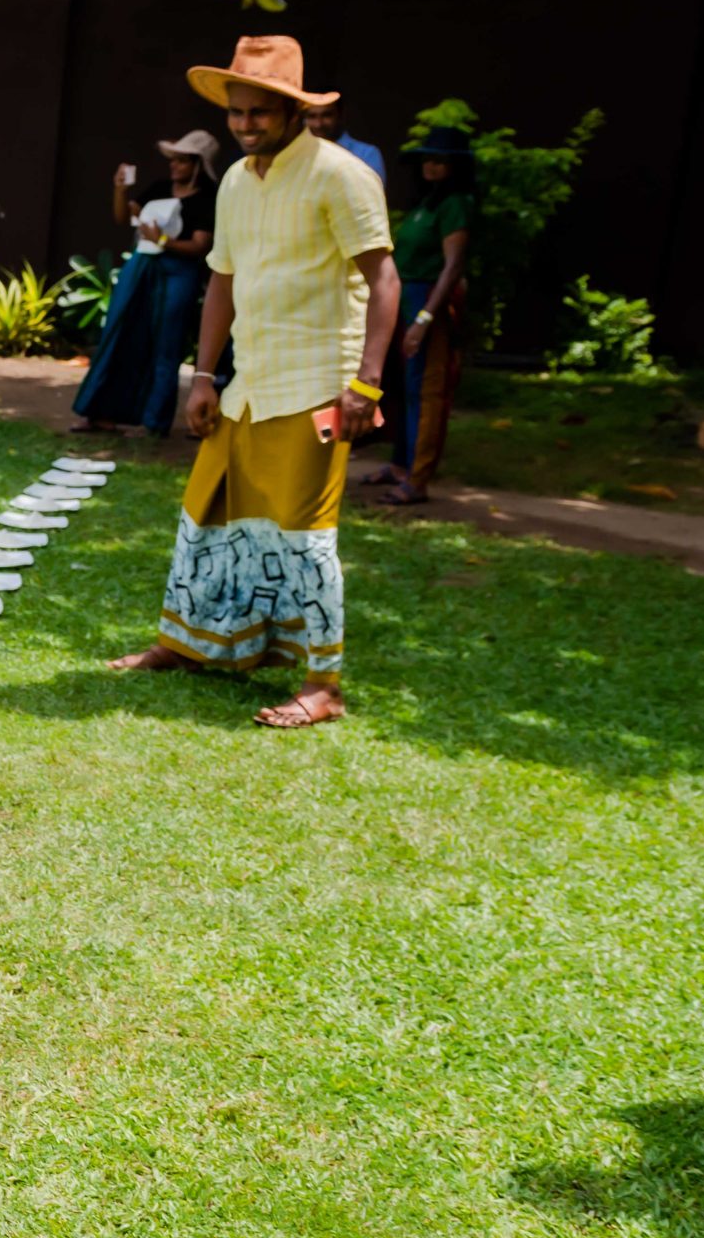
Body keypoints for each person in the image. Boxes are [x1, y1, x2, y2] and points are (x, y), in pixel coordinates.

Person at [108, 36, 398, 730]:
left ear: (294, 110)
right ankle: (187, 645)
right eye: (237, 112)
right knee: (208, 512)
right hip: (247, 383)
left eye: (259, 113)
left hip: (319, 388)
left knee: (303, 535)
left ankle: (323, 683)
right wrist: (204, 376)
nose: (245, 125)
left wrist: (369, 385)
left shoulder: (343, 175)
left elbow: (383, 280)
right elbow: (222, 282)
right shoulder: (236, 180)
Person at [69, 130, 220, 438]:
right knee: (119, 332)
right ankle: (100, 413)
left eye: (182, 161)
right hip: (142, 267)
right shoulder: (159, 188)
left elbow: (200, 245)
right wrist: (120, 190)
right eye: (173, 160)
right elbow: (124, 216)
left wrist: (163, 241)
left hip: (179, 272)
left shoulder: (207, 197)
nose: (174, 166)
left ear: (197, 164)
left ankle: (155, 421)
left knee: (167, 342)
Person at [363, 125, 477, 504]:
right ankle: (399, 465)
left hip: (429, 299)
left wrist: (426, 318)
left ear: (456, 166)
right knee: (401, 386)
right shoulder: (425, 202)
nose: (431, 165)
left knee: (426, 389)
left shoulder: (456, 203)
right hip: (404, 295)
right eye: (427, 158)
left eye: (440, 160)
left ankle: (418, 477)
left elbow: (454, 264)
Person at [300, 95, 384, 183]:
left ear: (340, 115)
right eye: (312, 116)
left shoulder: (366, 154)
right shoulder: (298, 153)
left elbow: (371, 194)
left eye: (326, 115)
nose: (319, 124)